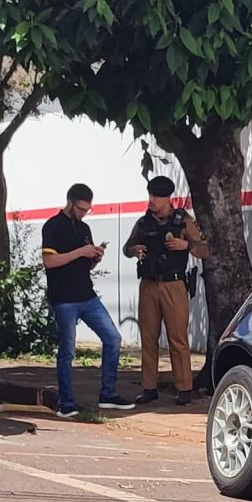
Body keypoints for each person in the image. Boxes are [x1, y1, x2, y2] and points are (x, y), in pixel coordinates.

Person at [39, 183, 133, 418]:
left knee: (113, 338)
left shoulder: (84, 228)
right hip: (64, 298)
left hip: (87, 295)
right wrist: (80, 252)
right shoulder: (52, 226)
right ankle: (66, 402)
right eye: (80, 208)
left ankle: (108, 393)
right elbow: (49, 262)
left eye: (87, 210)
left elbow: (84, 265)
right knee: (68, 350)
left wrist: (93, 257)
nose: (83, 213)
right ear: (70, 202)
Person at [123, 175, 203, 403]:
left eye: (156, 196)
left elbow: (205, 249)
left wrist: (185, 245)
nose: (152, 200)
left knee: (177, 338)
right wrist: (134, 250)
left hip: (174, 284)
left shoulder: (183, 220)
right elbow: (127, 247)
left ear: (168, 198)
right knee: (148, 338)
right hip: (148, 284)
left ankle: (184, 389)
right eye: (150, 195)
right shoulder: (143, 222)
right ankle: (149, 388)